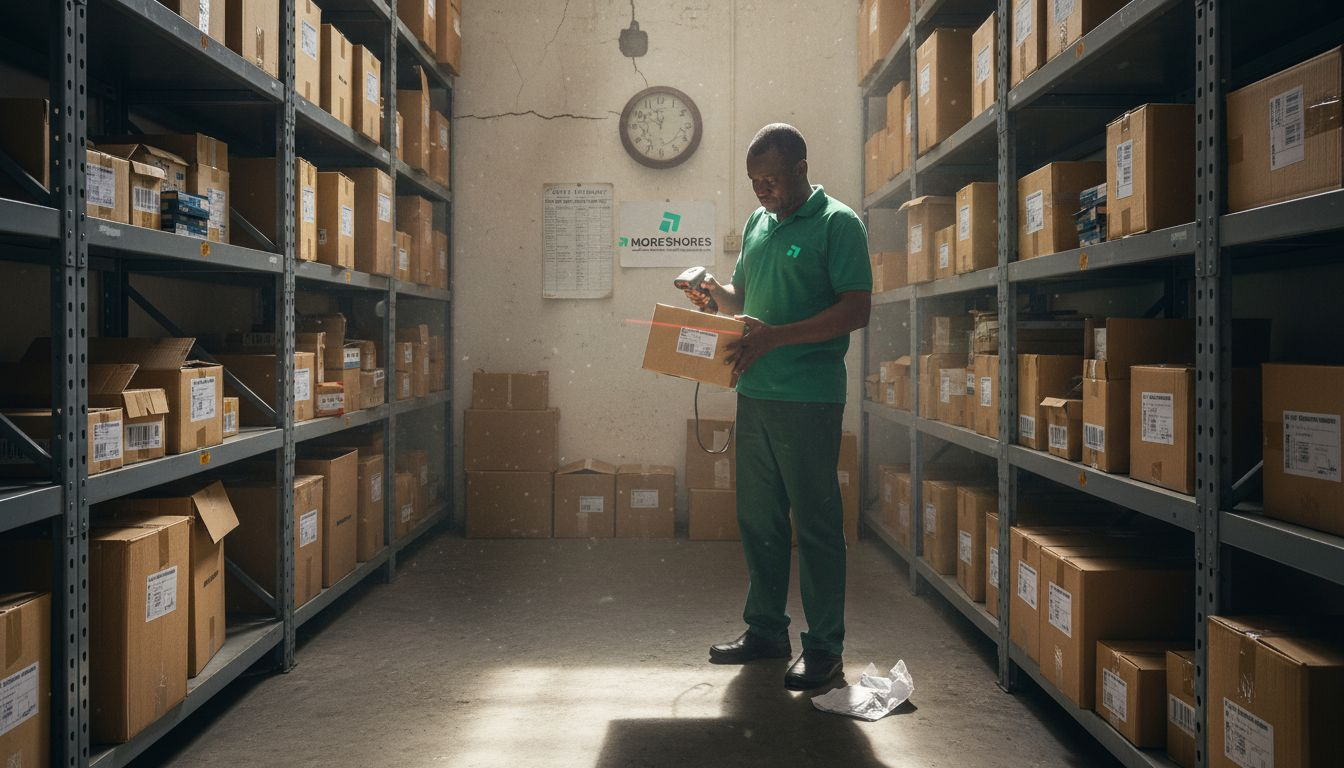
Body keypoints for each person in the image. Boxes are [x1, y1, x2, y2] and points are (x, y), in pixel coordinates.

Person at [682, 123, 872, 690]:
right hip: (756, 393)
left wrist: (776, 338)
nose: (762, 190)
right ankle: (766, 630)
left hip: (808, 397)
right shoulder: (759, 224)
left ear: (801, 168)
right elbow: (746, 301)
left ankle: (824, 650)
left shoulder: (838, 224)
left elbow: (856, 310)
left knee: (814, 524)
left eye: (771, 179)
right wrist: (713, 292)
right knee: (758, 520)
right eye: (754, 182)